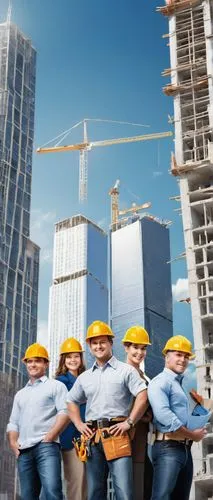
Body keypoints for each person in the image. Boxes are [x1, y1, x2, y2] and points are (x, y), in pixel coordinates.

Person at [67, 320, 148, 500]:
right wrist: (79, 424)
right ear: (89, 346)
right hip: (92, 438)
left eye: (102, 342)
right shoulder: (85, 377)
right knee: (95, 492)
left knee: (124, 493)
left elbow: (142, 395)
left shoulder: (126, 371)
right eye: (94, 343)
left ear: (111, 343)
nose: (99, 346)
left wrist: (129, 422)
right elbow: (71, 401)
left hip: (117, 435)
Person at [7, 343, 69, 500]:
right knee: (28, 496)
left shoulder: (56, 386)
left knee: (52, 493)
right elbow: (13, 422)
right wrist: (14, 444)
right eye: (29, 361)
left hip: (46, 448)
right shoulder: (20, 394)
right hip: (24, 451)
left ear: (46, 364)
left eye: (37, 361)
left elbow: (65, 412)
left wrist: (49, 437)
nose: (33, 364)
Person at [148, 335, 207, 500]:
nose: (183, 359)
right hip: (168, 448)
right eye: (178, 355)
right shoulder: (160, 382)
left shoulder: (180, 386)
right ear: (167, 357)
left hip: (185, 449)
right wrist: (192, 435)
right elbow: (164, 415)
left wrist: (200, 408)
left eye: (186, 356)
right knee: (161, 497)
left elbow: (183, 418)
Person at [122, 326, 153, 500]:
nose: (139, 352)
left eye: (143, 348)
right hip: (127, 439)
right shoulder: (121, 372)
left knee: (143, 486)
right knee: (133, 487)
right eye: (135, 347)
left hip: (142, 438)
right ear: (126, 348)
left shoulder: (144, 376)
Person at [55, 337, 87, 500]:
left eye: (76, 356)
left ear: (81, 358)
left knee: (86, 484)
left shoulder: (87, 379)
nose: (73, 360)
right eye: (69, 357)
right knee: (75, 483)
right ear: (63, 360)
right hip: (71, 440)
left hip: (87, 439)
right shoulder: (60, 383)